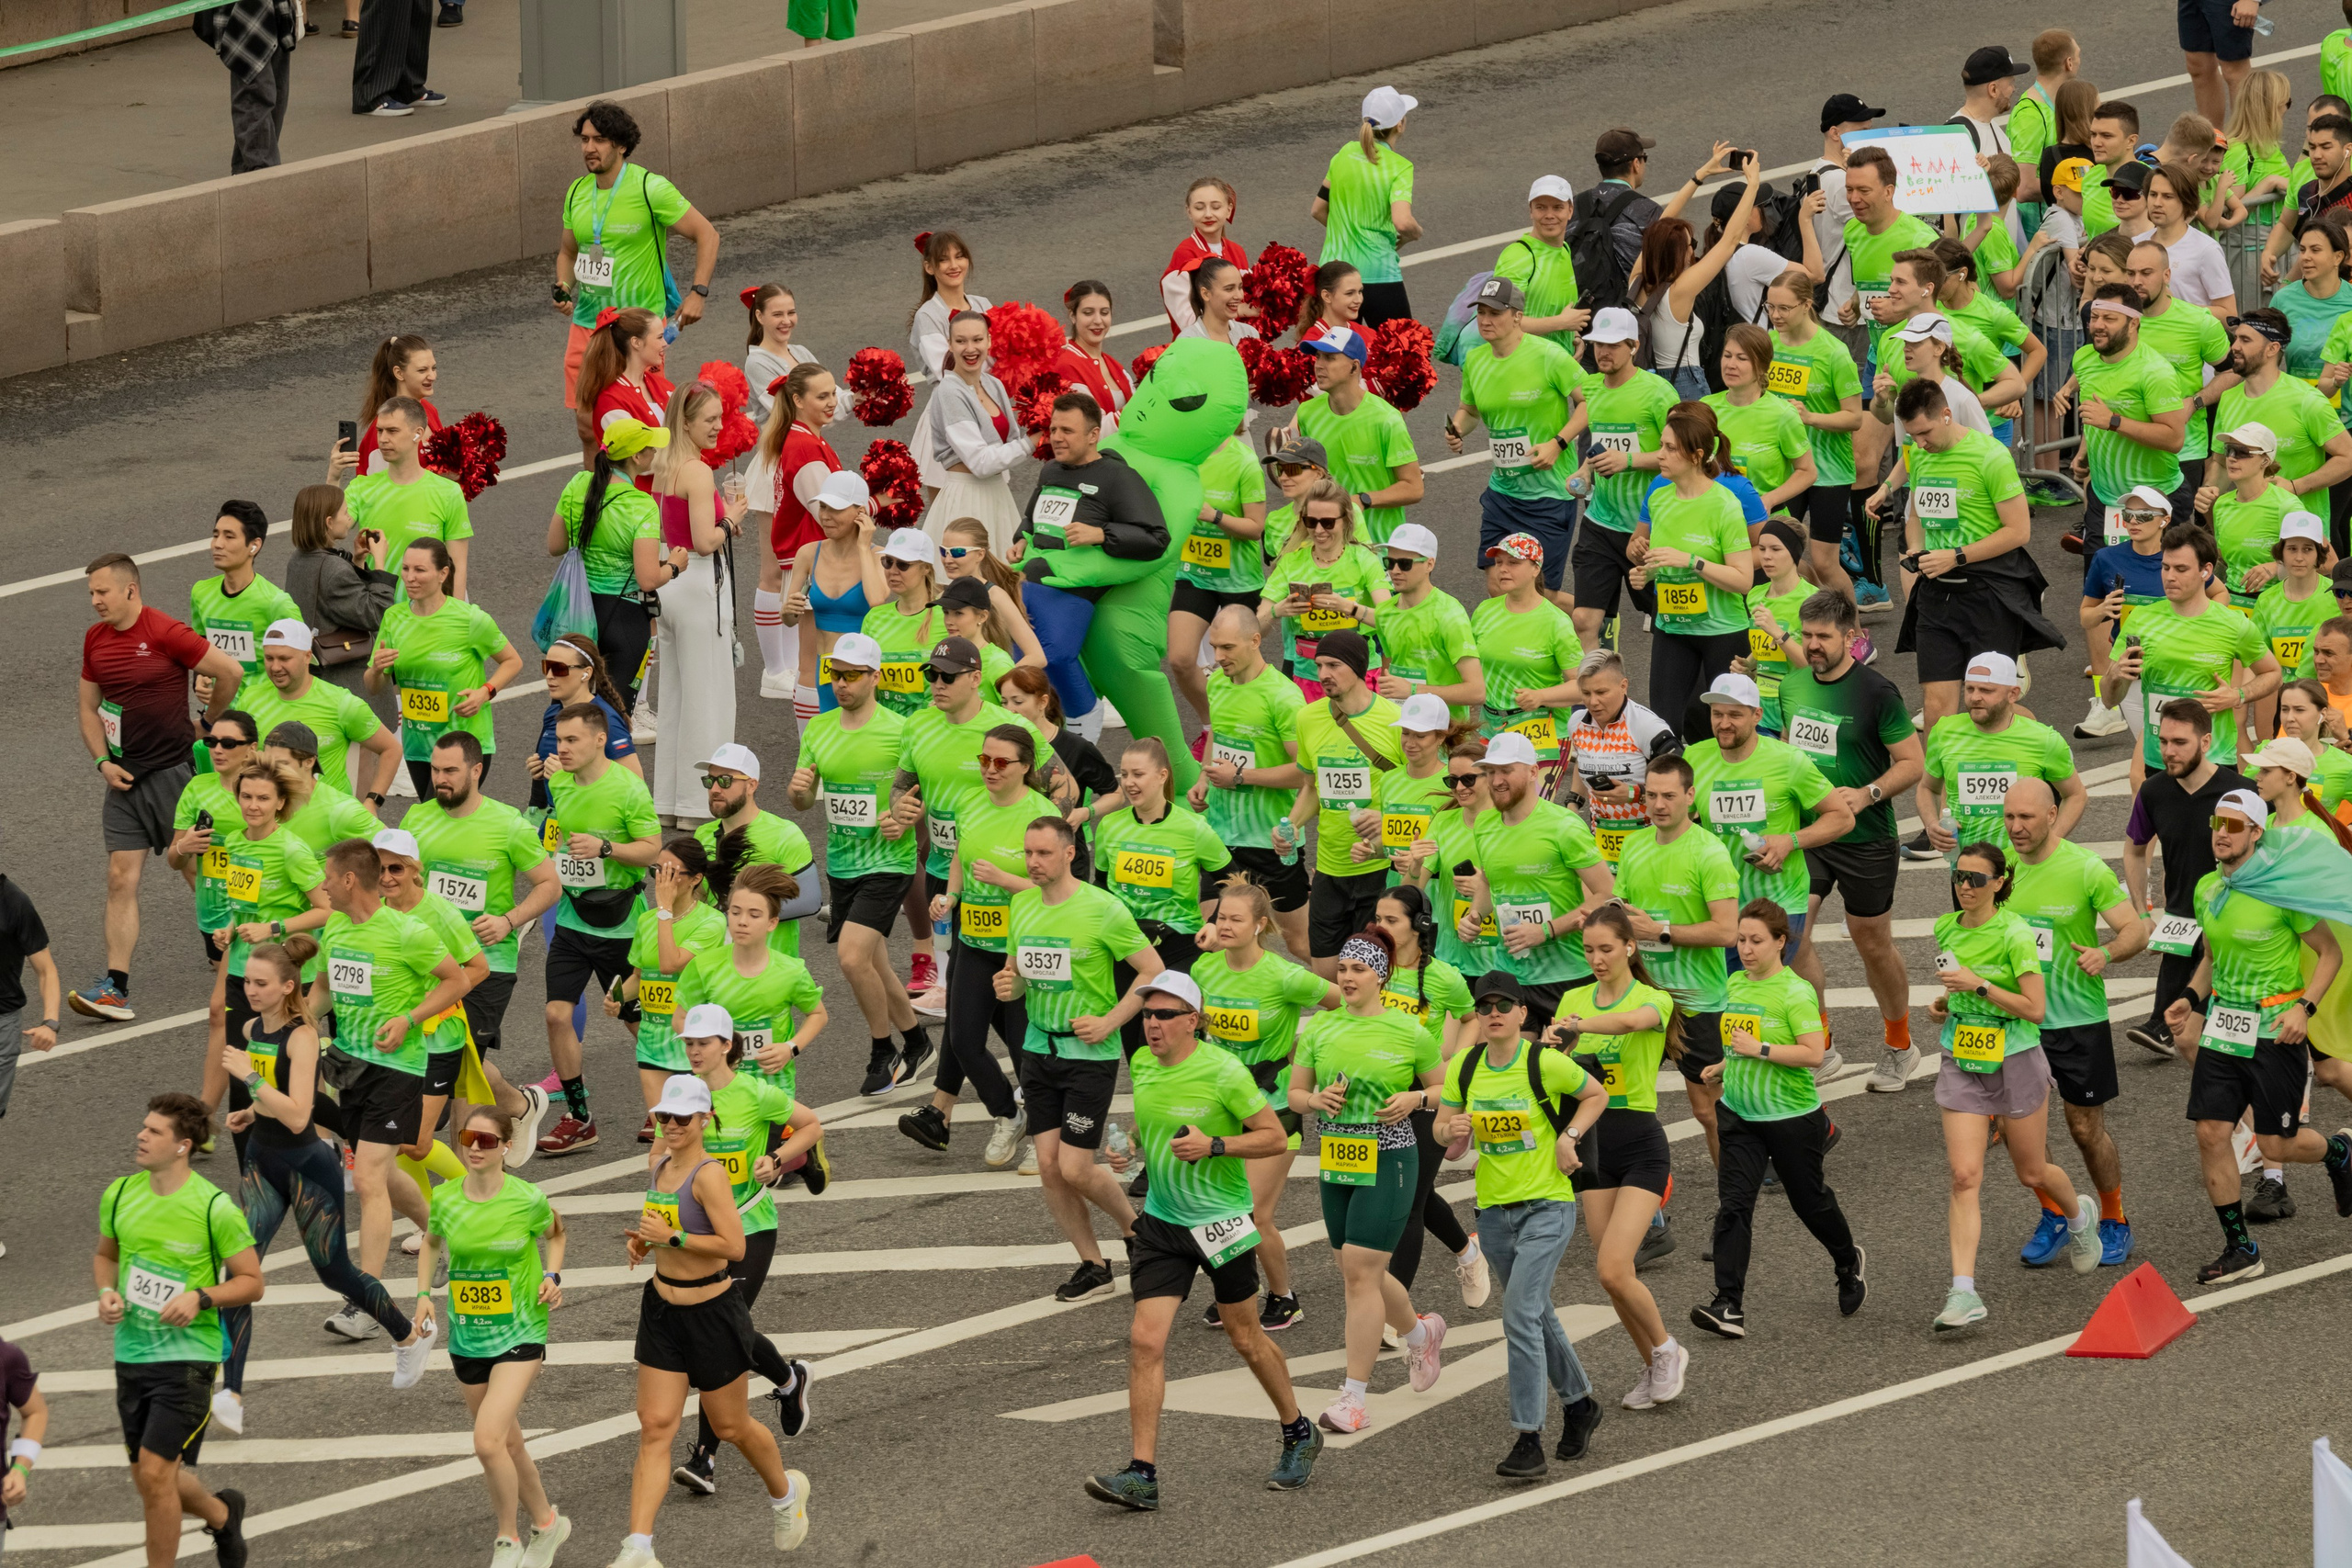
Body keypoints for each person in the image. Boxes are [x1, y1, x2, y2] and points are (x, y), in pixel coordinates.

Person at [1088, 971, 1320, 1509]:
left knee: (1245, 1338)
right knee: (1146, 1340)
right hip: (1164, 1224)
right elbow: (1156, 1127)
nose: (1151, 1024)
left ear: (1193, 1020)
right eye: (1147, 1014)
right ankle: (1142, 1473)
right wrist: (1131, 1149)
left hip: (1223, 1224)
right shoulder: (1143, 1065)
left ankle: (1298, 1429)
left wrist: (1216, 1145)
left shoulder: (1223, 1071)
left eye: (1164, 1015)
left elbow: (1273, 1136)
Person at [214, 935, 417, 1434]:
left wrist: (251, 1081)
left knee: (335, 1274)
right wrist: (249, 1108)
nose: (252, 990)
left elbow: (302, 1112)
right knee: (237, 1277)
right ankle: (231, 1393)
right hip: (262, 1161)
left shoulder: (302, 1036)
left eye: (262, 984)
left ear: (289, 986)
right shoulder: (249, 1027)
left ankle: (407, 1335)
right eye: (247, 981)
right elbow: (273, 1099)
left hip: (308, 1168)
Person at [613, 1076, 808, 1568]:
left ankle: (786, 1496)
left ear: (705, 1120)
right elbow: (660, 1228)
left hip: (711, 1314)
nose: (671, 1125)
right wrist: (644, 1242)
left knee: (732, 1425)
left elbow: (734, 1247)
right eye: (664, 1117)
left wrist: (675, 1239)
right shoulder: (658, 1165)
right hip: (661, 1311)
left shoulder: (709, 1174)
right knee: (655, 1427)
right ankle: (638, 1548)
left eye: (682, 1117)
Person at [2165, 790, 2352, 1282]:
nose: (2221, 833)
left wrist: (2304, 1008)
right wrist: (2190, 997)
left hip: (2275, 1031)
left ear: (2255, 833)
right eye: (2217, 823)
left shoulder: (2280, 889)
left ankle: (2339, 1152)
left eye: (2234, 825)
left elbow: (2329, 953)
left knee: (2278, 1144)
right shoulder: (2209, 888)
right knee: (2210, 1132)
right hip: (2224, 1028)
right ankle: (2239, 1247)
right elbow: (2210, 958)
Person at [1430, 972, 1604, 1476]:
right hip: (1495, 1216)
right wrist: (1450, 1127)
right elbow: (1445, 1134)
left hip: (1548, 1206)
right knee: (1536, 1313)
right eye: (1485, 1006)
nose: (1494, 1013)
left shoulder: (1543, 1062)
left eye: (1505, 1004)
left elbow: (1595, 1095)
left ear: (1524, 1013)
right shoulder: (1464, 1067)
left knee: (1518, 1316)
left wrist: (1568, 1136)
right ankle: (1580, 1405)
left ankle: (1528, 1438)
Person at [1928, 839, 2101, 1330]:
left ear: (1999, 883)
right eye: (1959, 877)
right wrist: (1945, 1005)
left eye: (1975, 879)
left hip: (2016, 1058)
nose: (1964, 886)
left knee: (2032, 1172)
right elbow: (1954, 990)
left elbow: (2035, 1009)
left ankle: (2079, 1215)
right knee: (1964, 1175)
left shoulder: (2016, 934)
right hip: (1962, 1056)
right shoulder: (1945, 926)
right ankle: (1963, 1292)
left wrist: (1978, 986)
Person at [1285, 925, 1444, 1432]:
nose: (1347, 977)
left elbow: (1445, 1087)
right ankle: (1420, 1335)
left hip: (1391, 1158)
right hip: (1337, 1157)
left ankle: (1353, 1399)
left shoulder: (1409, 1031)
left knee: (1359, 1273)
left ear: (1382, 976)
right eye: (1344, 969)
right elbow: (1294, 1094)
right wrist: (1314, 1102)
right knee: (1359, 1272)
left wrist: (1415, 1100)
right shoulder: (1319, 1029)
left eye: (1359, 970)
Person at [75, 554, 245, 1021]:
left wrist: (208, 724)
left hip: (175, 776)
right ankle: (116, 987)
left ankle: (233, 953)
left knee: (196, 872)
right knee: (119, 879)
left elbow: (229, 671)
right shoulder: (95, 640)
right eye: (91, 593)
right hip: (124, 780)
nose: (94, 602)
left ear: (131, 589)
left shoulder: (165, 632)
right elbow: (89, 708)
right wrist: (101, 763)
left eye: (102, 592)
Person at [996, 816, 1159, 1301]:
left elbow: (1153, 970)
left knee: (1075, 1167)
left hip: (1089, 1055)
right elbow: (1017, 972)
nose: (1033, 863)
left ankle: (1138, 1233)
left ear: (1069, 854)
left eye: (1043, 853)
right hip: (1037, 1050)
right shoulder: (1022, 904)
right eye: (1028, 853)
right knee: (1049, 1167)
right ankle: (1092, 1263)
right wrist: (1010, 985)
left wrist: (1111, 1021)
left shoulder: (1103, 909)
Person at [95, 1094, 262, 1568]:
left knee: (153, 1473)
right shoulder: (121, 1193)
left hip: (189, 1358)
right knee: (150, 1478)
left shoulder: (214, 1208)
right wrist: (106, 1292)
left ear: (183, 1146)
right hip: (131, 1352)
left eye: (153, 1132)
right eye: (143, 1127)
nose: (141, 1136)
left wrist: (201, 1296)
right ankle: (222, 1514)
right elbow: (105, 1255)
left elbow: (252, 1283)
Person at [399, 1107, 570, 1564]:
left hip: (521, 1329)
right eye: (468, 1137)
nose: (474, 1147)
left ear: (506, 1148)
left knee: (487, 1441)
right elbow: (432, 1241)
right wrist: (422, 1294)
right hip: (468, 1335)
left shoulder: (526, 1199)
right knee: (508, 1442)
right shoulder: (446, 1199)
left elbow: (557, 1233)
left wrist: (553, 1275)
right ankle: (548, 1524)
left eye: (487, 1140)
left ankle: (508, 1539)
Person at [1691, 899, 1867, 1340]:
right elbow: (1739, 1044)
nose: (1746, 949)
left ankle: (1848, 1261)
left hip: (1791, 1118)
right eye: (1742, 940)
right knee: (1734, 1206)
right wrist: (1726, 1065)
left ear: (1780, 943)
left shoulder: (1795, 992)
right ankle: (1728, 1304)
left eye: (1756, 941)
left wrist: (1759, 1051)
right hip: (1739, 1114)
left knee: (1809, 1202)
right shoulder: (1734, 984)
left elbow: (1812, 1054)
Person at [669, 1007, 822, 1493]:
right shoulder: (681, 1096)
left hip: (751, 1226)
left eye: (704, 1043)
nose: (694, 1050)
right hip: (700, 1231)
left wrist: (776, 1159)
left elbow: (811, 1125)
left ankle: (703, 1458)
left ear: (727, 1045)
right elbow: (661, 1153)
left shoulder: (753, 1093)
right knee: (725, 1331)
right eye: (689, 1043)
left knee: (717, 1332)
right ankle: (788, 1377)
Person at [2003, 778, 2147, 1267]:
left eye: (2025, 817)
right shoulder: (1997, 870)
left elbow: (2134, 930)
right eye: (2009, 817)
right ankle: (2056, 1215)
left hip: (2077, 1020)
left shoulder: (2085, 868)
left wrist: (2105, 953)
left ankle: (2114, 1217)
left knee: (2085, 1129)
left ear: (2051, 815)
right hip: (2020, 1022)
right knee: (2019, 1129)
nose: (2016, 827)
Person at [1548, 905, 1687, 1408]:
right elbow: (1556, 1066)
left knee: (1611, 1267)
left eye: (1606, 948)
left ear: (1630, 946)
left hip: (1640, 1141)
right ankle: (1652, 1365)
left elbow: (1631, 1020)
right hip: (1591, 1141)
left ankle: (1668, 1349)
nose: (1597, 958)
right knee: (1615, 1279)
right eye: (1588, 950)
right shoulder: (1571, 997)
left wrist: (1580, 1026)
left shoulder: (1654, 998)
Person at [786, 634, 929, 1110]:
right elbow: (804, 801)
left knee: (851, 959)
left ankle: (880, 1051)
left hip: (890, 862)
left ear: (875, 676)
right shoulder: (820, 729)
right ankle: (917, 1042)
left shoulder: (902, 730)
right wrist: (799, 791)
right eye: (834, 674)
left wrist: (905, 814)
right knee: (873, 962)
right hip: (843, 863)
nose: (840, 684)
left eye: (851, 675)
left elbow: (927, 791)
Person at [1190, 878, 1338, 1329]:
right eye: (1221, 918)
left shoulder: (1284, 975)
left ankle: (1283, 1296)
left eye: (1236, 919)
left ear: (1260, 925)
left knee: (1254, 1212)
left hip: (1273, 1103)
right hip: (1223, 1104)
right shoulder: (1204, 971)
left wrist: (1302, 1056)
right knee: (1219, 1208)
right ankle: (1238, 1290)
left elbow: (1342, 1004)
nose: (1226, 926)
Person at [406, 731, 560, 1154]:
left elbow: (550, 885)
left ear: (476, 771)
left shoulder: (508, 825)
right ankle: (520, 1104)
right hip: (430, 966)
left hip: (486, 965)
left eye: (450, 771)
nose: (440, 779)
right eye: (435, 770)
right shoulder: (417, 820)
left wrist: (510, 920)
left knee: (455, 1066)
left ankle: (462, 1191)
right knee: (461, 1063)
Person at [920, 724, 1057, 1168]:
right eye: (984, 760)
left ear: (1025, 766)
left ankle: (1043, 1133)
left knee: (1023, 1048)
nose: (990, 770)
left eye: (1001, 763)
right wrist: (950, 896)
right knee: (963, 1042)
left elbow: (1051, 888)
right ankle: (1007, 1114)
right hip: (973, 940)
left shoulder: (1038, 815)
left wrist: (1006, 880)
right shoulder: (969, 801)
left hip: (1018, 949)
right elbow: (960, 853)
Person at [1894, 379, 2062, 739]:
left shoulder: (1990, 456)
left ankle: (2043, 748)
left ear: (1946, 414)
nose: (1918, 442)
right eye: (1912, 435)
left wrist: (1956, 556)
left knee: (1990, 707)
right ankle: (1939, 795)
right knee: (1936, 710)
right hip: (1937, 596)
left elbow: (2019, 532)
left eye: (1923, 432)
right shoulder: (1920, 453)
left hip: (1988, 594)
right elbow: (1915, 518)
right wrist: (1917, 548)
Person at [537, 703, 663, 1156]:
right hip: (572, 921)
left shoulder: (629, 790)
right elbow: (556, 839)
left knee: (637, 1022)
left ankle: (667, 1104)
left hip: (621, 925)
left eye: (571, 740)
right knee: (556, 1014)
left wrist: (605, 848)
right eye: (559, 740)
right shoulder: (558, 783)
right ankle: (578, 1115)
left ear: (598, 740)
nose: (562, 748)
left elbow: (653, 850)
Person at [1614, 755, 1741, 1182]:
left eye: (1669, 795)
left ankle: (1734, 1199)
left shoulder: (1710, 852)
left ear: (1690, 796)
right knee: (1625, 1105)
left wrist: (1660, 930)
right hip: (1645, 997)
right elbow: (1623, 913)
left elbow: (1727, 932)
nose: (1658, 804)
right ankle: (1645, 1208)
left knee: (1708, 1112)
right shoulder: (1633, 846)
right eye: (1651, 795)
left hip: (1697, 1002)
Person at [1013, 391, 1167, 735]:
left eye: (1067, 431)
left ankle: (1085, 716)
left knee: (1052, 655)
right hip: (1031, 580)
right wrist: (1021, 539)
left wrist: (1101, 533)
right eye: (1053, 429)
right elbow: (1031, 518)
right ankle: (1044, 727)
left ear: (1094, 434)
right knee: (1017, 662)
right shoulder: (1051, 470)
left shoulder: (1117, 478)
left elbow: (1156, 538)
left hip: (1073, 589)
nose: (1056, 438)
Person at [198, 760, 328, 1159]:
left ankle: (317, 1151)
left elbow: (325, 909)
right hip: (242, 973)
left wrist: (273, 929)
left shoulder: (291, 849)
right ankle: (250, 1171)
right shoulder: (236, 843)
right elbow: (245, 908)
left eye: (263, 798)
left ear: (280, 803)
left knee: (288, 1074)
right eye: (247, 797)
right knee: (242, 1075)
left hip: (285, 977)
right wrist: (232, 930)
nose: (253, 805)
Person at [554, 101, 718, 411]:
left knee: (643, 425)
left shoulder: (650, 188)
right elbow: (568, 251)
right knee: (588, 427)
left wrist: (698, 292)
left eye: (600, 140)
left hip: (638, 331)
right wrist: (563, 285)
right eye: (585, 139)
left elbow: (707, 234)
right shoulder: (577, 191)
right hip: (587, 325)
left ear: (622, 146)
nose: (589, 147)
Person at [1687, 672, 1855, 972]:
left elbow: (1842, 817)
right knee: (1726, 1001)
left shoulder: (1788, 760)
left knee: (1757, 996)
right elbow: (1680, 823)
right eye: (1717, 714)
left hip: (1779, 904)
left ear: (1757, 715)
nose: (1724, 723)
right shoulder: (1695, 757)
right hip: (1720, 903)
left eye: (1735, 715)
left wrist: (1788, 842)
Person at [1082, 738, 1232, 1060]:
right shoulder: (1110, 827)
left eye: (1138, 774)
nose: (1129, 783)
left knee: (1172, 1044)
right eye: (1124, 775)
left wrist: (1216, 923)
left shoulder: (1194, 828)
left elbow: (1233, 882)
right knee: (1136, 1051)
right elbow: (1102, 888)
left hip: (1179, 947)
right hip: (1128, 948)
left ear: (1162, 776)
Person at [2124, 701, 2256, 1062]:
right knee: (2182, 982)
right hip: (2182, 913)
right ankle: (2164, 1026)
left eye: (2179, 742)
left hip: (2234, 915)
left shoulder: (2242, 794)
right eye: (2163, 741)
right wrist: (2141, 911)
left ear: (2206, 742)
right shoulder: (2153, 792)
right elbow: (2135, 852)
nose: (2168, 751)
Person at [1461, 729, 1611, 1030]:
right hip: (1512, 974)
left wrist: (1547, 930)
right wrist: (1475, 914)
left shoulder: (1564, 826)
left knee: (1567, 1070)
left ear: (1533, 772)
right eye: (1490, 772)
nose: (1496, 780)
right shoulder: (1485, 823)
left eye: (1506, 770)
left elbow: (1605, 894)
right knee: (1516, 1071)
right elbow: (1491, 882)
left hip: (1567, 974)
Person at [1445, 277, 1586, 600]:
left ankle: (1593, 617)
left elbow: (1591, 402)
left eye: (1495, 312)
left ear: (1518, 316)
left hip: (1549, 495)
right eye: (1480, 312)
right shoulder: (1476, 361)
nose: (1485, 320)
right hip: (1502, 494)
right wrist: (1457, 429)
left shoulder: (1549, 355)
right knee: (1499, 587)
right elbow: (1469, 409)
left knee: (1540, 596)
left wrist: (1558, 443)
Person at [1272, 630, 1401, 976]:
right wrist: (1293, 824)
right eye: (1318, 665)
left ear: (1358, 668)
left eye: (1334, 664)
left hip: (1378, 867)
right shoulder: (1308, 718)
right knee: (1328, 973)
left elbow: (1417, 792)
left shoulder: (1394, 721)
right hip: (1330, 868)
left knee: (1374, 975)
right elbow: (1311, 786)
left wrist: (1386, 819)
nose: (1324, 673)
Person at [1625, 402, 1757, 739]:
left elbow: (1743, 580)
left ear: (1697, 455)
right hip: (1673, 626)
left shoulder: (1725, 504)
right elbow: (1661, 561)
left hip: (1721, 631)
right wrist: (1645, 574)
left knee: (1722, 729)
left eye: (1670, 448)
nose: (1660, 455)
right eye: (1661, 446)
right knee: (1664, 726)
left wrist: (1692, 561)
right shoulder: (1659, 499)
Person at [2105, 525, 2281, 773]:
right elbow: (2109, 698)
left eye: (2181, 569)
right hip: (2160, 761)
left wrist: (2237, 696)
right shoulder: (2140, 620)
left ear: (2206, 571)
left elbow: (2273, 674)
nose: (2169, 577)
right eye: (2165, 568)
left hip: (2215, 760)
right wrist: (2114, 677)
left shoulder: (2233, 623)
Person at [1191, 606, 1313, 959]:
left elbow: (1305, 773)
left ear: (1255, 641)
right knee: (1214, 940)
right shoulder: (1216, 683)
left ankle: (1353, 1008)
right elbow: (1218, 735)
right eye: (1214, 647)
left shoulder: (1283, 697)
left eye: (1227, 647)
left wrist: (1241, 776)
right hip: (1221, 838)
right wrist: (1204, 777)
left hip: (1271, 842)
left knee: (1299, 944)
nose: (1218, 656)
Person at [650, 386, 745, 822]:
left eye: (720, 416)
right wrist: (732, 519)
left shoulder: (662, 467)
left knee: (674, 696)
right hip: (700, 585)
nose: (718, 426)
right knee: (708, 697)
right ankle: (696, 806)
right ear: (685, 423)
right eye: (709, 418)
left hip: (669, 581)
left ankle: (668, 802)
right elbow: (706, 541)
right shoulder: (698, 472)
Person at [547, 419, 682, 720]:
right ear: (636, 457)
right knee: (612, 721)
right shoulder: (640, 504)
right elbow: (648, 579)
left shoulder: (578, 484)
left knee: (569, 715)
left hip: (577, 614)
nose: (655, 454)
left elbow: (555, 545)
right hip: (624, 619)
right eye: (651, 449)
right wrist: (674, 566)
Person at [367, 539, 521, 800]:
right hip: (418, 744)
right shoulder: (394, 618)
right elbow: (373, 686)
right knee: (440, 823)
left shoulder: (470, 619)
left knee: (442, 816)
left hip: (464, 744)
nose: (410, 578)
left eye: (420, 570)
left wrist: (485, 692)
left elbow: (513, 661)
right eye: (405, 569)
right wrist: (377, 671)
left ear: (443, 574)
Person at [1566, 308, 1678, 651]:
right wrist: (1586, 470)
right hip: (1600, 522)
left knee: (1668, 621)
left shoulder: (1658, 393)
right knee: (1584, 619)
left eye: (1613, 345)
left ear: (1634, 346)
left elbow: (1681, 455)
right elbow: (1602, 444)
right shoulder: (1591, 389)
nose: (1603, 352)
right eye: (1598, 344)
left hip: (1648, 528)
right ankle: (1596, 695)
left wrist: (1628, 460)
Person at [1840, 145, 1944, 503]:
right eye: (1849, 189)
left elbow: (1944, 304)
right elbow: (1869, 284)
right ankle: (1863, 552)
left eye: (1863, 190)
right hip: (1877, 358)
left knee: (1928, 453)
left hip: (1918, 361)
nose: (1854, 198)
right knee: (1860, 460)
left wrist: (1899, 314)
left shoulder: (1919, 240)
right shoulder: (1853, 232)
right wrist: (1856, 304)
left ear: (1888, 190)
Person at [2208, 310, 2352, 557]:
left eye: (2245, 340)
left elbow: (2348, 457)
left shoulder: (2306, 399)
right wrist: (2210, 495)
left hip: (2301, 545)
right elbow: (2220, 463)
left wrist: (2296, 486)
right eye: (2235, 339)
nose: (2235, 347)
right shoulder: (2229, 399)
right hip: (2245, 543)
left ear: (2272, 348)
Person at [1920, 651, 2086, 863]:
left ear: (2013, 694)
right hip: (1967, 867)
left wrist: (2050, 842)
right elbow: (1927, 788)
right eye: (1970, 688)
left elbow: (2075, 795)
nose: (1975, 697)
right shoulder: (1944, 732)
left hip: (2024, 867)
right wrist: (1931, 823)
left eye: (1986, 690)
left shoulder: (2042, 739)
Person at [1634, 145, 1763, 399]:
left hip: (1648, 382)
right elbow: (1730, 240)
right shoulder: (1680, 290)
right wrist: (1753, 185)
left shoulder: (1637, 280)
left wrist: (1699, 176)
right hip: (1684, 384)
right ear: (1680, 253)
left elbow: (1660, 225)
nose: (1693, 250)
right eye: (1689, 245)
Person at [746, 362, 839, 705]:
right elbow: (829, 513)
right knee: (813, 665)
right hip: (815, 561)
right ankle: (812, 746)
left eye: (833, 393)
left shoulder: (808, 438)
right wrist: (877, 503)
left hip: (812, 558)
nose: (832, 402)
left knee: (814, 661)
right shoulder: (804, 447)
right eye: (822, 396)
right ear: (798, 400)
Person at [1170, 422, 1270, 727]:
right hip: (1194, 573)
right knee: (1180, 659)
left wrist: (1214, 516)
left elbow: (1255, 528)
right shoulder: (1179, 457)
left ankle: (1254, 727)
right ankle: (1212, 725)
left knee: (1238, 666)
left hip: (1238, 579)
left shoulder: (1243, 462)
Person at [243, 619, 399, 804]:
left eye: (284, 659)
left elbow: (392, 748)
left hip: (330, 822)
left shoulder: (340, 703)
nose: (275, 667)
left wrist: (373, 801)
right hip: (272, 821)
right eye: (269, 658)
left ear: (307, 656)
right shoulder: (250, 699)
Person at [1291, 329, 1423, 547]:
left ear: (1354, 366)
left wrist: (1364, 500)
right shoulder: (1308, 413)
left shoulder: (1386, 419)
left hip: (1376, 546)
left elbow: (1413, 487)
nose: (1319, 365)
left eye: (1330, 358)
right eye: (1318, 357)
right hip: (1329, 544)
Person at [692, 745, 820, 966]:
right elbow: (697, 899)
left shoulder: (784, 833)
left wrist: (737, 913)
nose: (714, 789)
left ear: (751, 785)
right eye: (709, 781)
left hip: (770, 971)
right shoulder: (702, 835)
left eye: (725, 780)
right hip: (716, 968)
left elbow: (809, 900)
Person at [2078, 489, 2182, 755]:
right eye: (2128, 515)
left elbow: (2218, 593)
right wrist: (2103, 608)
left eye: (2144, 516)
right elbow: (2086, 617)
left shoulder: (2179, 558)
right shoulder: (2106, 558)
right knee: (2150, 751)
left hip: (2175, 668)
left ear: (2164, 520)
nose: (2133, 522)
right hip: (2130, 669)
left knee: (2178, 749)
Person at [1259, 481, 1385, 700]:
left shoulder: (1364, 559)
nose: (1318, 530)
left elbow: (1390, 619)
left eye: (1327, 522)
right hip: (1308, 678)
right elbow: (1254, 627)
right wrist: (1277, 611)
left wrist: (1347, 607)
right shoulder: (1291, 563)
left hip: (1358, 675)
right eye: (1311, 521)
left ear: (1345, 520)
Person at [778, 470, 886, 724]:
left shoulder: (878, 555)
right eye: (823, 507)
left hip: (863, 673)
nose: (825, 516)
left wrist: (862, 547)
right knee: (828, 750)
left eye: (835, 509)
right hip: (827, 672)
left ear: (860, 512)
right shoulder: (808, 553)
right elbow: (790, 619)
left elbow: (877, 602)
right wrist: (787, 611)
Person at [1470, 533, 1581, 776]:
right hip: (1492, 730)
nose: (1503, 569)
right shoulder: (1484, 611)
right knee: (1490, 810)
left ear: (1535, 569)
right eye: (1499, 563)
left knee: (1529, 812)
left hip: (1540, 734)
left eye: (1513, 563)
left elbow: (1583, 687)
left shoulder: (1556, 623)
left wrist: (1540, 696)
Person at [1312, 86, 1422, 327]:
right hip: (1379, 275)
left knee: (1334, 357)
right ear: (1400, 124)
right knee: (1400, 355)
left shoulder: (1343, 154)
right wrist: (1414, 234)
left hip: (1334, 274)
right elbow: (1402, 222)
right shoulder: (1400, 167)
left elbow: (1318, 209)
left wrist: (1345, 228)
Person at [921, 310, 1027, 555]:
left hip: (997, 493)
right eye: (961, 341)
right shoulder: (948, 392)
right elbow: (980, 463)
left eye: (977, 340)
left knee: (1003, 577)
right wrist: (1030, 444)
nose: (970, 348)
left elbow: (1010, 439)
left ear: (989, 341)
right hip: (966, 498)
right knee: (966, 581)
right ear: (950, 344)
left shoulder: (994, 385)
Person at [1563, 648, 1678, 873]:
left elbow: (1680, 782)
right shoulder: (1577, 723)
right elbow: (1584, 762)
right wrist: (1573, 804)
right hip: (1602, 844)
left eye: (1601, 692)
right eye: (1586, 693)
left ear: (1623, 686)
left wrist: (1634, 793)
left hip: (1651, 842)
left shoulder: (1646, 726)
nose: (1593, 702)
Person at [345, 397, 471, 602]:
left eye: (392, 431)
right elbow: (327, 529)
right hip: (376, 618)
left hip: (426, 622)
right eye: (380, 431)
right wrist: (334, 474)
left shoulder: (448, 493)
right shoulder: (362, 487)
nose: (383, 438)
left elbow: (456, 566)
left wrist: (454, 620)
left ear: (418, 434)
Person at [908, 231, 993, 496]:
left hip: (985, 407)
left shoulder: (983, 304)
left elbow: (1006, 358)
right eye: (944, 260)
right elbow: (947, 371)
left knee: (988, 507)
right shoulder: (928, 316)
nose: (954, 265)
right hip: (948, 412)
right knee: (949, 516)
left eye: (960, 256)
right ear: (929, 267)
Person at [1367, 524, 1482, 721]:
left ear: (1430, 564)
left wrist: (1413, 690)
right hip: (1401, 726)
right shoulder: (1385, 612)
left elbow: (1477, 691)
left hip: (1444, 731)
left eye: (1404, 564)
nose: (1394, 571)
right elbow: (1389, 675)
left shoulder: (1449, 614)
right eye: (1389, 562)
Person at [1704, 324, 1816, 517]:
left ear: (1763, 367)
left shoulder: (1783, 414)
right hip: (1714, 520)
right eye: (1727, 355)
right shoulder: (1705, 408)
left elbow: (1807, 471)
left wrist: (1768, 500)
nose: (1731, 364)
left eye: (1742, 358)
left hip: (1764, 523)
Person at [191, 501, 302, 693]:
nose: (218, 544)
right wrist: (200, 677)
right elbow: (201, 647)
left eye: (229, 536)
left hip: (262, 715)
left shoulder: (276, 603)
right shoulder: (201, 593)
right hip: (218, 714)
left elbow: (302, 665)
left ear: (254, 546)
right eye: (216, 535)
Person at [284, 482, 396, 670]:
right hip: (344, 674)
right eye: (345, 513)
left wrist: (358, 561)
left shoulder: (298, 558)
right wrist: (380, 563)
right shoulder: (333, 568)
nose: (350, 518)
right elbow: (375, 614)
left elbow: (341, 602)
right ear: (329, 522)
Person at [528, 635, 642, 817]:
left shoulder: (606, 720)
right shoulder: (553, 713)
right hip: (557, 819)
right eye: (546, 667)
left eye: (559, 669)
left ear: (586, 673)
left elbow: (636, 786)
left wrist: (568, 777)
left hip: (593, 823)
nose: (550, 676)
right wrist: (541, 769)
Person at [195, 0, 299, 172]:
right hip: (247, 11)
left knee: (276, 96)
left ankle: (247, 174)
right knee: (256, 96)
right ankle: (261, 176)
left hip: (274, 9)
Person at [1494, 175, 1591, 352]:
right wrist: (1561, 323)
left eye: (1557, 207)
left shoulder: (1565, 250)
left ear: (1570, 211)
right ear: (1530, 211)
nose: (1549, 215)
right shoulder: (1517, 256)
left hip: (1559, 367)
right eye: (1540, 208)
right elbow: (1500, 320)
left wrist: (1574, 337)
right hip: (1526, 368)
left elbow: (1561, 310)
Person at [575, 310, 677, 476]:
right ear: (636, 342)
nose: (665, 343)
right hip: (638, 500)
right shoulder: (610, 401)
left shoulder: (662, 385)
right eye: (659, 337)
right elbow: (641, 460)